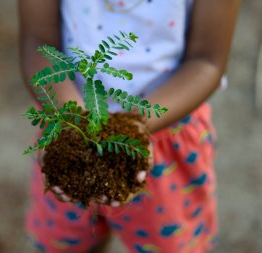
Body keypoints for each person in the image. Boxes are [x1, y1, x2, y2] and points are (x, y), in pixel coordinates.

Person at [18, 0, 239, 252]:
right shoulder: (71, 127)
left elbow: (207, 61)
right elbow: (38, 42)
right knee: (68, 241)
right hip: (68, 124)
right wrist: (74, 122)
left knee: (170, 244)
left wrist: (132, 128)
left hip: (166, 145)